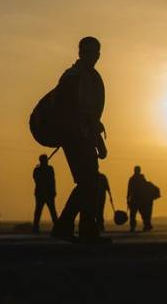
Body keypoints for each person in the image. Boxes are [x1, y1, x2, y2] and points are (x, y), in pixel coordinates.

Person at [50, 37, 109, 244]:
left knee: (90, 183)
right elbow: (69, 112)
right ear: (81, 52)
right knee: (89, 181)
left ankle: (84, 230)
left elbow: (92, 113)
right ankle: (68, 227)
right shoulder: (72, 77)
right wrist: (85, 128)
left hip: (86, 137)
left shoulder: (91, 78)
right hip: (74, 138)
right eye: (89, 52)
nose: (94, 56)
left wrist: (95, 134)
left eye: (96, 52)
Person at [32, 154, 57, 233]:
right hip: (41, 193)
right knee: (38, 211)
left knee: (52, 211)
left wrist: (53, 191)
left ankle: (57, 227)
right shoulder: (38, 170)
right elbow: (37, 180)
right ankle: (35, 228)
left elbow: (53, 181)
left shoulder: (49, 169)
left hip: (47, 193)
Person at [127, 166, 148, 232]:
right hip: (136, 199)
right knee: (133, 214)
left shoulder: (138, 178)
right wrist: (128, 198)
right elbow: (129, 189)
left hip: (139, 199)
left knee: (142, 213)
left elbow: (145, 188)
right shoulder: (134, 179)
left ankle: (145, 225)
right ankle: (133, 227)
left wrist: (128, 198)